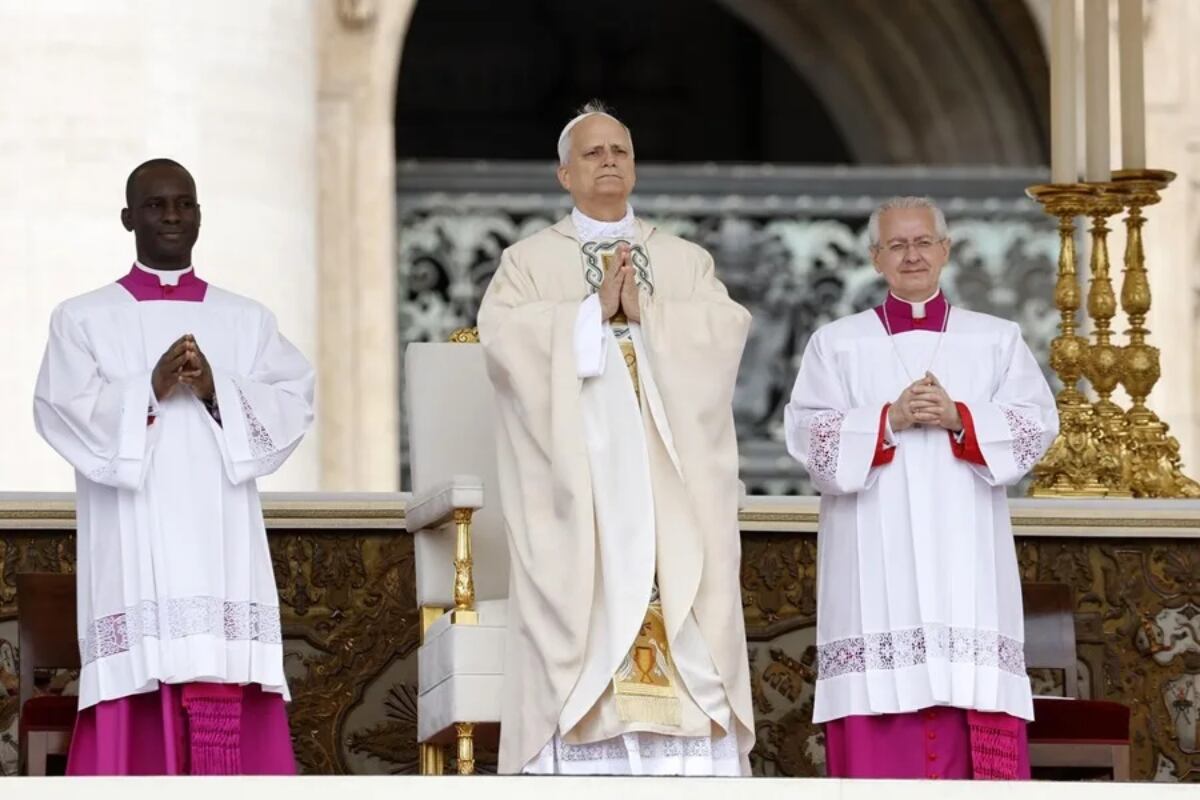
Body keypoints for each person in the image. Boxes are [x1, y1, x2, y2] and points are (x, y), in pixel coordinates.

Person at [478, 102, 754, 775]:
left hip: (670, 484)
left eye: (620, 151)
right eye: (594, 152)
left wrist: (649, 316)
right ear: (563, 174)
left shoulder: (683, 261)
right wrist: (586, 317)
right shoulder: (529, 262)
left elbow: (726, 335)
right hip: (583, 487)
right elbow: (503, 340)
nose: (609, 161)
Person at [33, 158, 314, 775]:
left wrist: (219, 390)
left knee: (223, 656)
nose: (171, 216)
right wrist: (148, 389)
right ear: (129, 217)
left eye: (184, 204)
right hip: (131, 534)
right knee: (140, 664)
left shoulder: (247, 319)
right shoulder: (81, 318)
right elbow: (62, 410)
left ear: (200, 217)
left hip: (221, 542)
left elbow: (293, 402)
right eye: (157, 205)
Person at [784, 196, 1058, 780]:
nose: (912, 255)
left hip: (968, 562)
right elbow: (810, 437)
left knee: (967, 687)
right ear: (875, 257)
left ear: (946, 250)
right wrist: (887, 420)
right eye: (897, 245)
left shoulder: (996, 339)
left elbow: (1036, 425)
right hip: (873, 560)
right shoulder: (837, 343)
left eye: (923, 242)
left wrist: (962, 417)